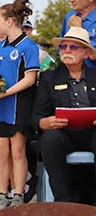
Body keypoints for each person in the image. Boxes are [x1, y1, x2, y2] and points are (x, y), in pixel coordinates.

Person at [0, 0, 39, 214]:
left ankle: (18, 194)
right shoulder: (0, 46)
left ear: (9, 21)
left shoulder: (28, 46)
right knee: (0, 153)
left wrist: (4, 93)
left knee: (17, 151)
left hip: (18, 105)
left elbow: (30, 78)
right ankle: (2, 194)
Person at [33, 26, 96, 202]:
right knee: (50, 139)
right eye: (63, 47)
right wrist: (44, 122)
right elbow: (37, 115)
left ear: (85, 53)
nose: (67, 50)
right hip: (63, 133)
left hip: (92, 131)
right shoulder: (49, 77)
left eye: (73, 47)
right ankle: (64, 202)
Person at [60, 0, 96, 67]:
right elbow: (61, 49)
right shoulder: (70, 16)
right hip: (70, 77)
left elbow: (93, 56)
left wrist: (79, 30)